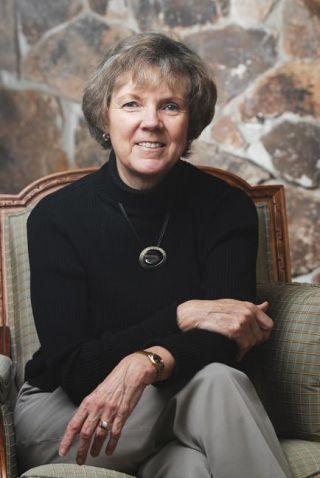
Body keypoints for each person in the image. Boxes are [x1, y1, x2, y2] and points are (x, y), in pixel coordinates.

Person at [14, 32, 292, 478]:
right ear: (105, 118)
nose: (151, 122)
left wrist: (143, 362)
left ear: (191, 121)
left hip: (177, 397)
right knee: (215, 388)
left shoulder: (226, 208)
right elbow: (78, 368)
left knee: (192, 463)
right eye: (131, 104)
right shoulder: (56, 217)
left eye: (170, 106)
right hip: (65, 412)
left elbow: (225, 341)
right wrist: (183, 314)